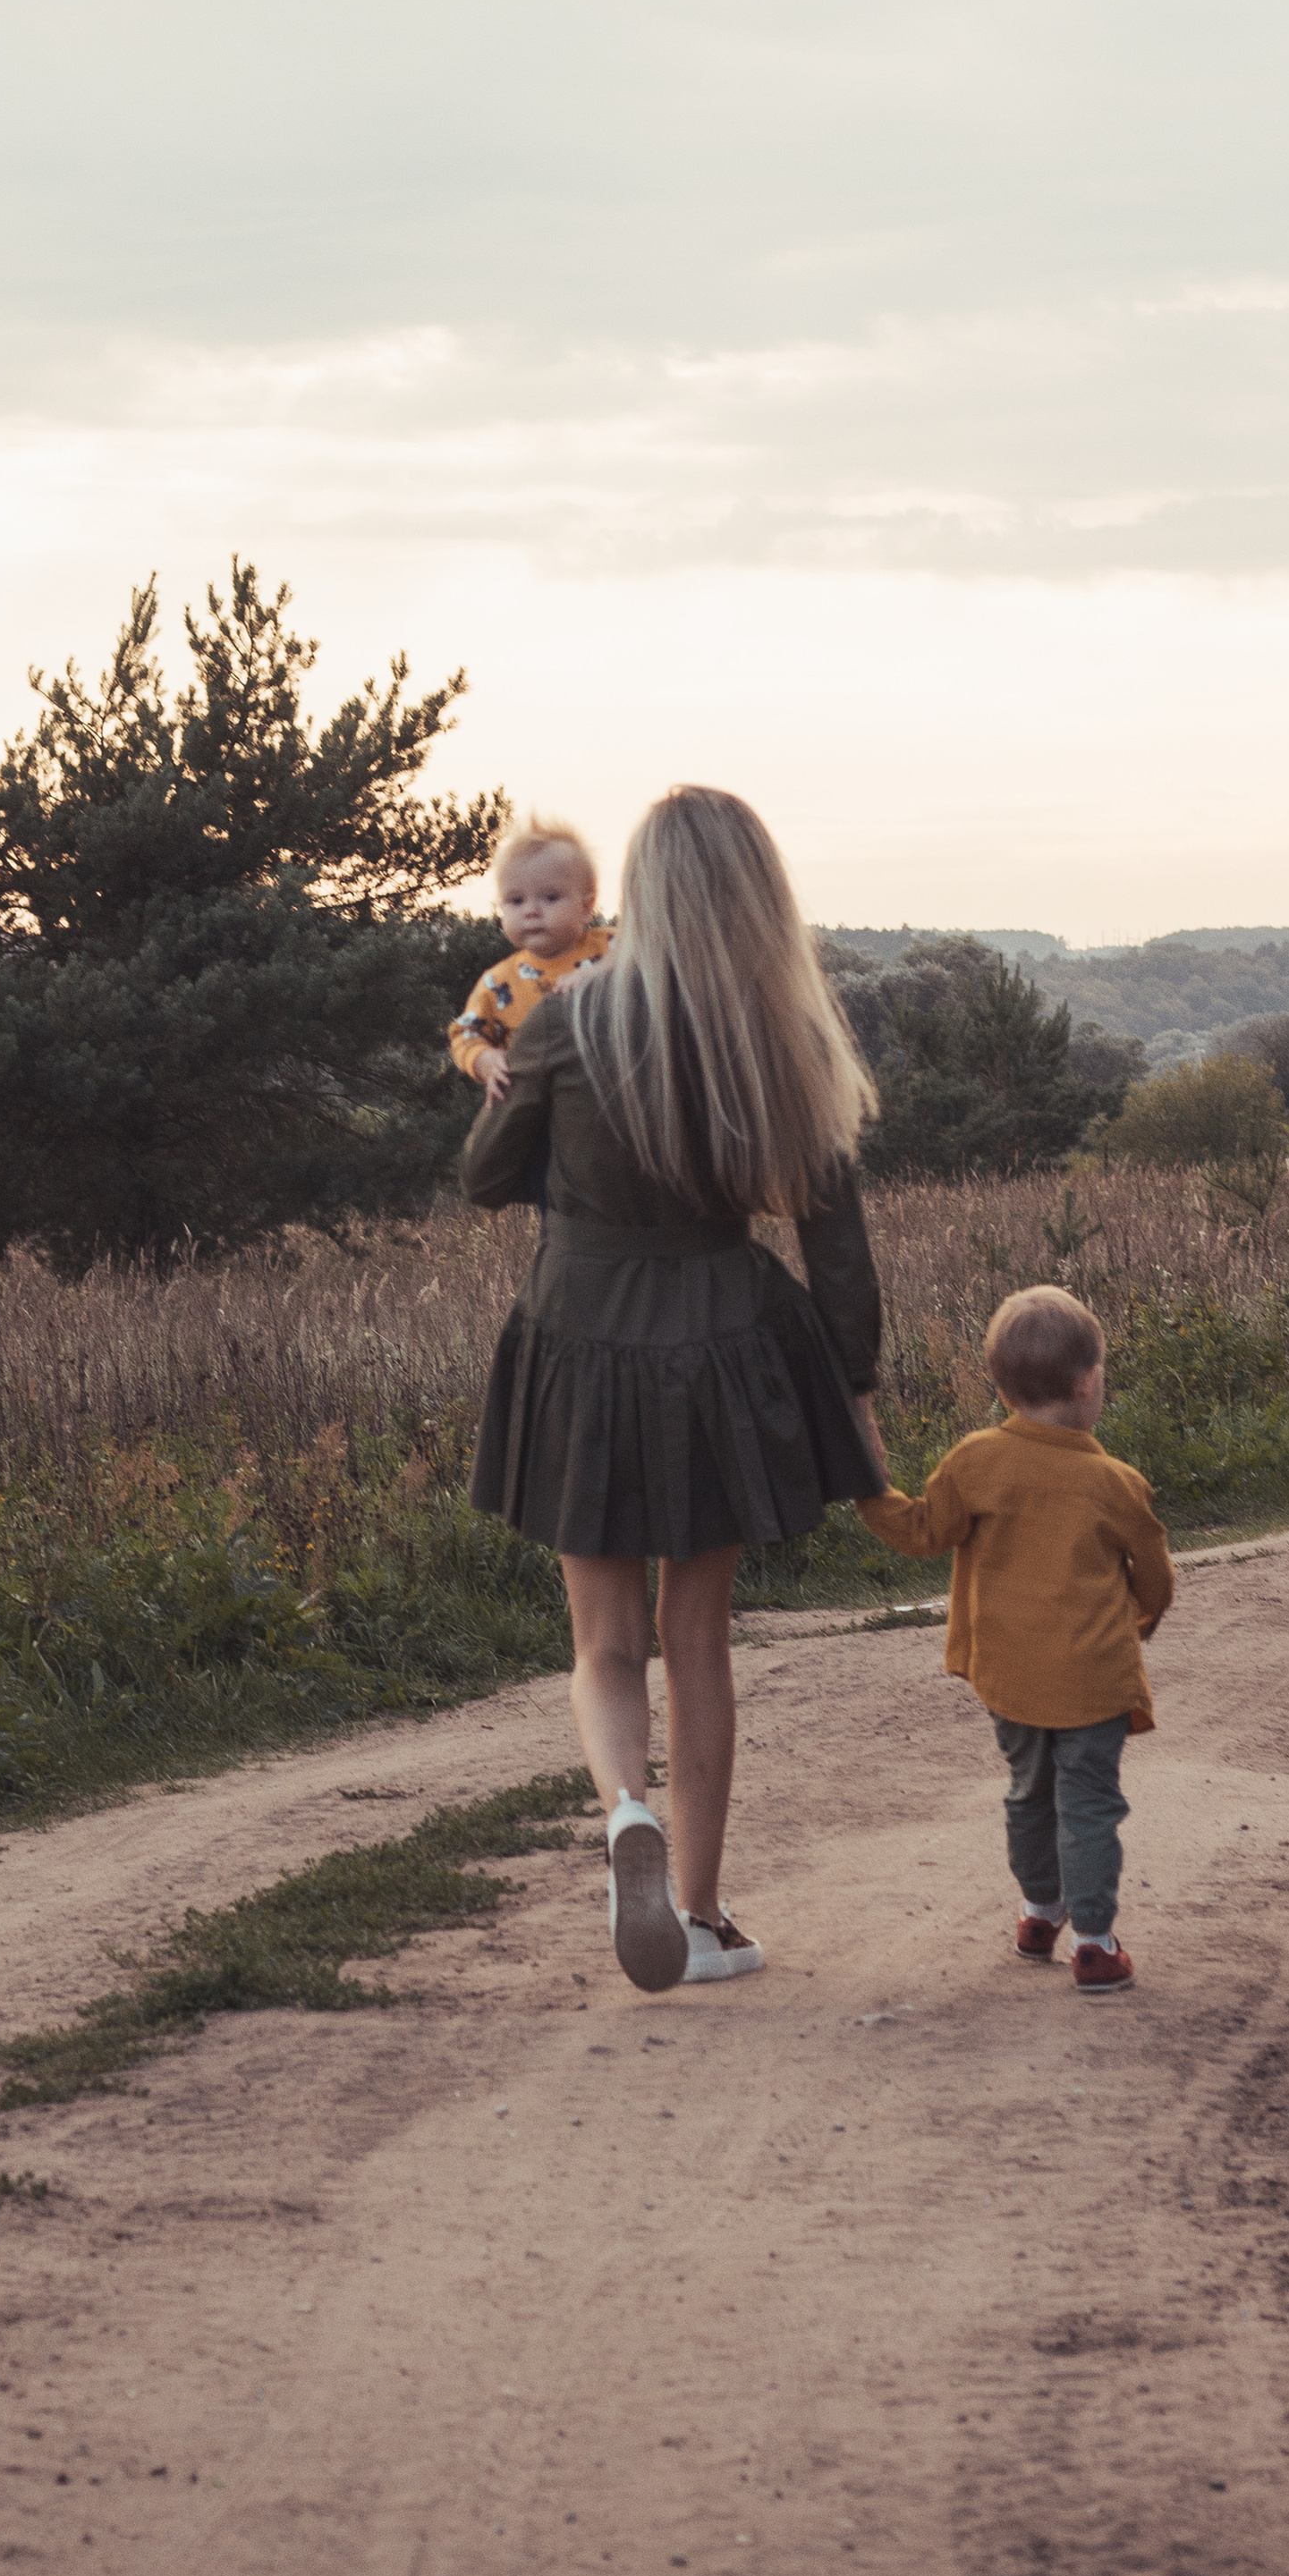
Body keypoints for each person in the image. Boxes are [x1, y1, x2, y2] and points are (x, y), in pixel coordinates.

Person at [462, 785, 887, 1995]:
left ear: (633, 891)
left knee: (603, 1643)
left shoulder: (567, 1019)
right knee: (697, 1638)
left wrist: (506, 1082)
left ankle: (623, 1817)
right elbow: (836, 1245)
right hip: (725, 1339)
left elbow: (485, 1180)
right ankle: (697, 1918)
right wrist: (855, 1387)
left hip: (581, 1333)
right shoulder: (788, 1036)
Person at [855, 1284, 1174, 1993]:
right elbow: (1154, 1575)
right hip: (1091, 1680)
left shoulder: (974, 1463)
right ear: (1089, 1383)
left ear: (1000, 1387)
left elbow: (920, 1531)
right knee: (1088, 1803)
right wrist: (1137, 1624)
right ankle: (1093, 1942)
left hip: (1008, 1676)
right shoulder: (1115, 1482)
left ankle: (1038, 1913)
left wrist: (868, 1486)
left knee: (1029, 1792)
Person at [447, 813, 614, 1107]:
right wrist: (482, 1059)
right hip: (538, 1105)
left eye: (550, 898)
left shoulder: (611, 946)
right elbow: (465, 1032)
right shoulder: (497, 981)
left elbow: (656, 960)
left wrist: (602, 972)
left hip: (610, 1091)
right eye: (516, 900)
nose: (531, 911)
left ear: (586, 907)